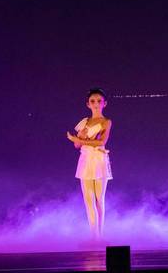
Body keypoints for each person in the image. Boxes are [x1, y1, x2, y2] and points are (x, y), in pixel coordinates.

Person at [66, 87, 113, 239]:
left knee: (99, 199)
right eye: (93, 101)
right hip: (86, 159)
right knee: (88, 200)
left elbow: (101, 142)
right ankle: (94, 237)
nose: (96, 104)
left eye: (99, 101)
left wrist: (79, 139)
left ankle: (100, 236)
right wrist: (80, 137)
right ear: (88, 104)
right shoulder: (85, 122)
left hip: (98, 159)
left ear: (105, 103)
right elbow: (77, 145)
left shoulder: (106, 122)